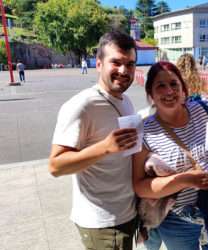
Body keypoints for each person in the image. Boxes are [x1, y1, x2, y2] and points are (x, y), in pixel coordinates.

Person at [133, 61, 208, 250]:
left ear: (183, 89)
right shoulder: (145, 131)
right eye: (160, 86)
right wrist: (184, 180)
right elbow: (140, 187)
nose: (169, 91)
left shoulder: (203, 109)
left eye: (173, 84)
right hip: (178, 219)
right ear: (150, 94)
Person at [48, 30, 139, 250]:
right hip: (102, 223)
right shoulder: (81, 106)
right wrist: (105, 148)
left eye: (130, 64)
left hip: (127, 212)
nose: (124, 70)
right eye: (115, 62)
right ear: (98, 64)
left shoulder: (125, 100)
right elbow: (55, 166)